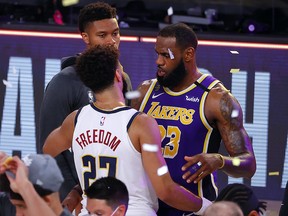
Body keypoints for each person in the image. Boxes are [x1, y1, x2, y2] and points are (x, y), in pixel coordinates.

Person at [43, 45, 212, 216]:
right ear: (118, 75)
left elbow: (48, 149)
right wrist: (205, 206)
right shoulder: (140, 123)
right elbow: (166, 191)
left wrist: (87, 156)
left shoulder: (75, 120)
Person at [131, 22, 256, 215]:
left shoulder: (216, 98)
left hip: (193, 209)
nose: (158, 61)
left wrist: (220, 160)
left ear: (188, 54)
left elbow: (248, 164)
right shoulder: (145, 91)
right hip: (145, 207)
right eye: (157, 53)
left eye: (166, 55)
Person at [38, 1, 133, 204]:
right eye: (102, 35)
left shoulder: (122, 80)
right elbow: (50, 150)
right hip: (78, 198)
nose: (111, 41)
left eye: (115, 33)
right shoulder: (64, 82)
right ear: (85, 37)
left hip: (115, 197)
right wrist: (73, 195)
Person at [0, 151, 72, 216]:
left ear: (47, 201)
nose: (18, 214)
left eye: (21, 206)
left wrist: (25, 186)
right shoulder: (7, 204)